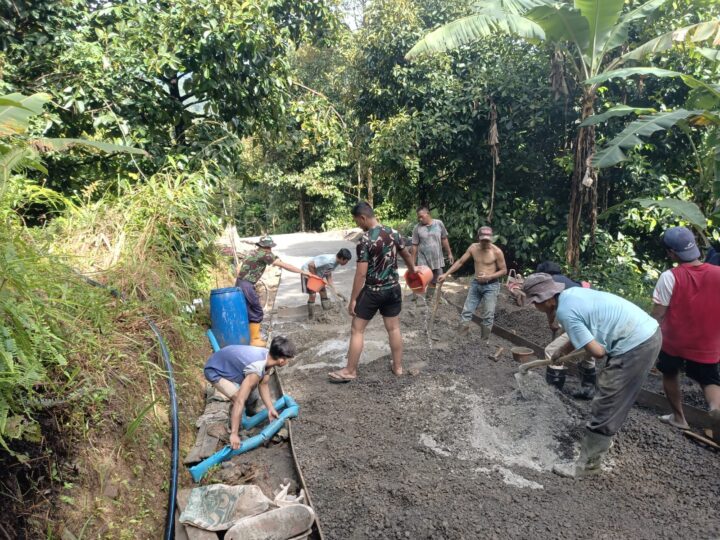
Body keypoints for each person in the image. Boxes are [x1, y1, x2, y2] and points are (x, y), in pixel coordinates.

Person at [522, 273, 661, 478]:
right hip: (646, 331)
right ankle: (603, 439)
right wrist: (564, 350)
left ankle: (587, 466)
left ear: (548, 299)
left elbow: (597, 352)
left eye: (535, 302)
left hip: (637, 343)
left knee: (608, 398)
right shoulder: (572, 294)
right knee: (613, 396)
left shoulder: (565, 312)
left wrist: (572, 351)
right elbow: (586, 328)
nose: (535, 307)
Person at [328, 202, 418, 382]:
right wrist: (413, 271)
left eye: (357, 221)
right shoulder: (394, 233)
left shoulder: (365, 240)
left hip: (373, 292)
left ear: (363, 217)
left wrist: (353, 299)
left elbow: (361, 273)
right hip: (393, 289)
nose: (358, 225)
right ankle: (398, 367)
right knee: (394, 328)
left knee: (357, 329)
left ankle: (350, 370)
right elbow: (407, 255)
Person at [651, 226, 720, 430]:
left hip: (675, 342)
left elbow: (658, 315)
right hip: (708, 341)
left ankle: (679, 418)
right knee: (709, 380)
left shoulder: (670, 276)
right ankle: (716, 408)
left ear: (671, 253)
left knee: (670, 373)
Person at [203, 336, 296, 450]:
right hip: (214, 370)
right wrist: (234, 434)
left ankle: (244, 418)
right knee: (238, 397)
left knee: (249, 389)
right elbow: (239, 401)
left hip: (227, 361)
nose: (288, 362)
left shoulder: (269, 357)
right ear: (281, 360)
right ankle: (232, 432)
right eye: (288, 359)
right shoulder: (257, 368)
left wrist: (270, 408)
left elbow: (264, 384)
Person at [536, 261, 595, 399]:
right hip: (594, 321)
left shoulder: (550, 285)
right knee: (587, 352)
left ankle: (553, 393)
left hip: (582, 321)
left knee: (552, 352)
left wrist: (551, 323)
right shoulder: (568, 282)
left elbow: (549, 307)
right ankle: (588, 389)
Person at [235, 236, 309, 346]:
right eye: (270, 247)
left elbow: (239, 268)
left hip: (240, 283)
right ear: (268, 246)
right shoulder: (266, 254)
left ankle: (248, 338)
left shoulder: (254, 252)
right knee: (257, 310)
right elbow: (285, 265)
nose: (271, 249)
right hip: (247, 285)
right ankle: (254, 340)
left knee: (247, 310)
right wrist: (303, 272)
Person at [438, 226, 507, 342]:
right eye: (483, 240)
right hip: (476, 284)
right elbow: (460, 262)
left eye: (487, 240)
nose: (485, 243)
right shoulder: (473, 248)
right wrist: (446, 274)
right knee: (466, 311)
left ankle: (483, 342)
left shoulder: (496, 252)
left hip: (491, 286)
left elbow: (504, 270)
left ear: (491, 239)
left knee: (488, 315)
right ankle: (460, 339)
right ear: (478, 238)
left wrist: (489, 276)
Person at [411, 207, 454, 297]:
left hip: (436, 259)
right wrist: (412, 263)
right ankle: (417, 299)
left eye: (421, 216)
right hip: (423, 260)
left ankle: (429, 299)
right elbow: (414, 246)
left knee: (435, 280)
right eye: (419, 217)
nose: (420, 219)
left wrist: (449, 253)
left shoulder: (438, 223)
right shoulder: (417, 228)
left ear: (428, 214)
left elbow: (444, 239)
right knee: (422, 279)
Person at [302, 249, 352, 319]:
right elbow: (310, 265)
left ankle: (327, 313)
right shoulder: (328, 261)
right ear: (341, 258)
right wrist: (315, 278)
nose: (346, 263)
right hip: (307, 272)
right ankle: (311, 317)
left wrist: (334, 289)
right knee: (312, 294)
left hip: (318, 275)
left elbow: (328, 273)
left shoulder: (336, 262)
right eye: (346, 261)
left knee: (323, 292)